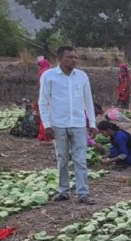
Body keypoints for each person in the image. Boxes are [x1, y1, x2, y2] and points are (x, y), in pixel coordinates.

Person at [38, 46, 97, 204]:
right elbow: (43, 102)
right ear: (60, 59)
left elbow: (88, 101)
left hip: (77, 123)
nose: (73, 60)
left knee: (80, 159)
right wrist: (47, 125)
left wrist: (92, 123)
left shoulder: (82, 76)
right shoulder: (49, 76)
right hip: (58, 123)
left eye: (75, 57)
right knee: (62, 158)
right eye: (69, 57)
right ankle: (63, 191)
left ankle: (83, 193)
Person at [35, 56, 53, 145]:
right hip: (49, 96)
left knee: (44, 115)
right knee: (48, 115)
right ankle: (46, 136)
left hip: (44, 95)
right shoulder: (47, 72)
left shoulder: (41, 71)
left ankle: (42, 135)